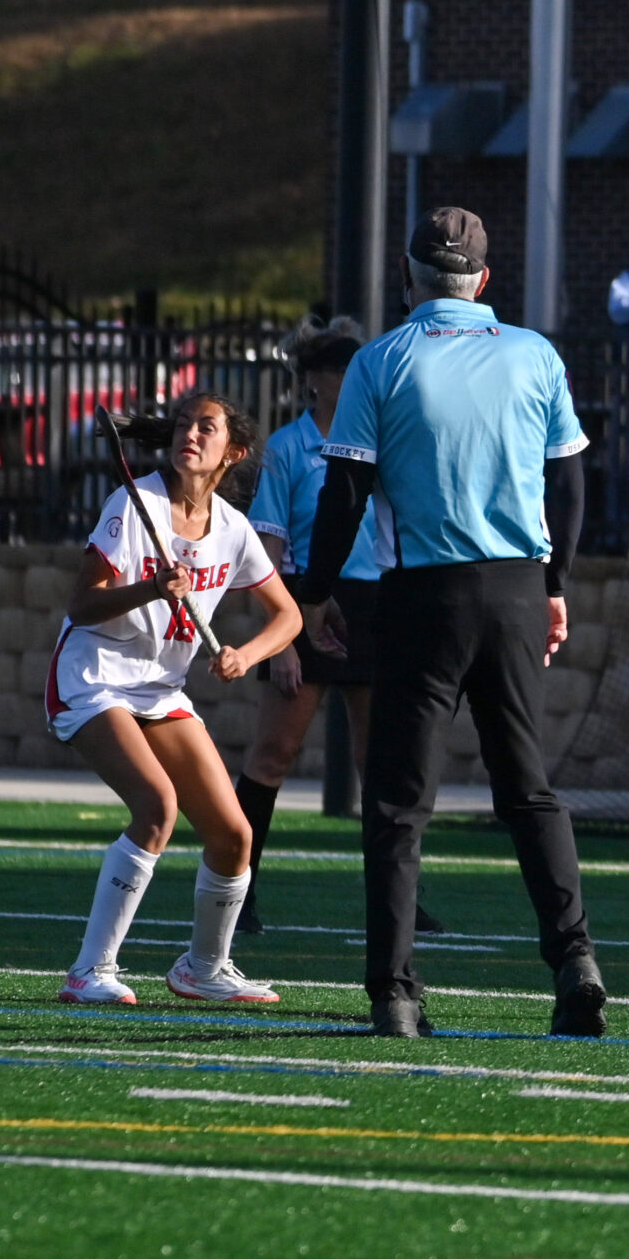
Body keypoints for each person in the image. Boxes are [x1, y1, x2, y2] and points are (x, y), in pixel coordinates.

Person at [296, 206, 604, 1039]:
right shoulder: (533, 354)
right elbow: (570, 484)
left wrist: (316, 588)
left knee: (398, 804)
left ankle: (394, 991)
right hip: (513, 590)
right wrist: (556, 584)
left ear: (407, 277)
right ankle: (574, 956)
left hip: (421, 596)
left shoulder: (381, 361)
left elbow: (346, 492)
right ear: (485, 280)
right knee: (528, 788)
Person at [52, 391, 302, 1006]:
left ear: (232, 452)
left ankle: (204, 967)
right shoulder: (134, 504)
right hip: (94, 677)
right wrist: (149, 590)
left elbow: (288, 617)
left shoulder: (234, 529)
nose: (190, 434)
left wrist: (247, 654)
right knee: (157, 806)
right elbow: (81, 605)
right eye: (185, 424)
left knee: (233, 836)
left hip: (159, 688)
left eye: (206, 428)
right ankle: (90, 972)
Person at [230, 317, 441, 937]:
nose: (352, 381)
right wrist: (287, 632)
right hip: (306, 600)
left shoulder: (381, 439)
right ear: (315, 380)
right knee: (274, 754)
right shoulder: (290, 448)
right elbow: (269, 545)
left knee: (379, 761)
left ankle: (399, 899)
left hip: (375, 603)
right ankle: (237, 890)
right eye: (341, 371)